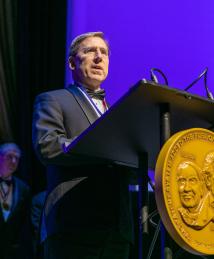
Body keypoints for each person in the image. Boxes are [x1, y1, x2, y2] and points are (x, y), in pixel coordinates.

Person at [32, 32, 133, 259]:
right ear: (72, 62)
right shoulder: (53, 99)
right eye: (90, 51)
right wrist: (101, 148)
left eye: (104, 53)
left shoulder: (116, 112)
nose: (99, 57)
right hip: (73, 227)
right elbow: (47, 146)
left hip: (117, 232)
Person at [0, 142, 32, 259]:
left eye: (17, 158)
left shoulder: (23, 188)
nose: (13, 161)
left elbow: (24, 223)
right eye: (9, 157)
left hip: (12, 252)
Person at [176, 160, 211, 229]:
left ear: (201, 187)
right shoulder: (181, 213)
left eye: (192, 181)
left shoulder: (210, 212)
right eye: (182, 181)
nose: (186, 188)